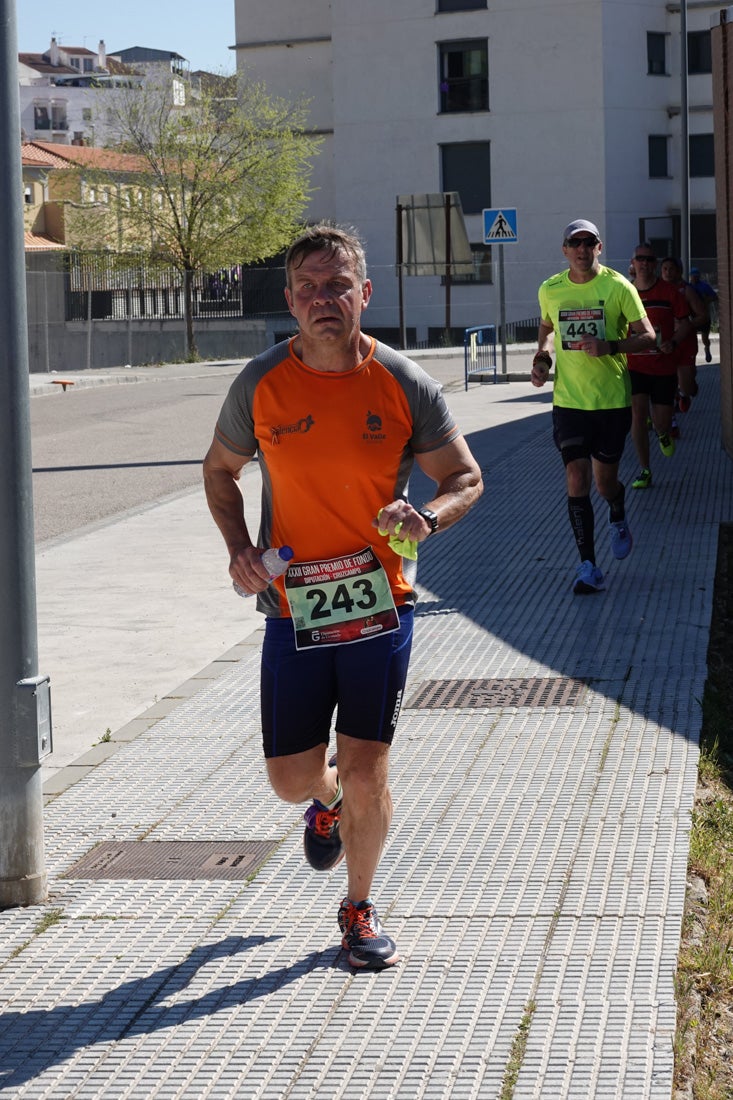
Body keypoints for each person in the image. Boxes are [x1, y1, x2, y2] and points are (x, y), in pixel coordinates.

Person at [202, 223, 483, 970]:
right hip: (293, 611)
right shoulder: (260, 384)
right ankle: (323, 805)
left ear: (364, 292)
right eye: (307, 289)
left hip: (378, 605)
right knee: (291, 778)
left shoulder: (401, 381)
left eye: (337, 286)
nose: (322, 300)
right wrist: (238, 550)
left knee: (367, 770)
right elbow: (219, 470)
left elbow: (464, 477)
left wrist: (425, 517)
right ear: (290, 302)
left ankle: (357, 907)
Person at [531, 219, 655, 595]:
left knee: (604, 484)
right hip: (569, 402)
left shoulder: (619, 287)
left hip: (611, 401)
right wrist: (542, 360)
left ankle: (617, 510)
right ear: (565, 249)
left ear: (599, 248)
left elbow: (648, 336)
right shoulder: (550, 289)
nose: (583, 250)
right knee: (576, 479)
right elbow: (548, 331)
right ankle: (588, 565)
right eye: (575, 243)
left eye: (590, 243)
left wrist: (610, 346)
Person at [626, 245, 695, 490]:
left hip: (664, 367)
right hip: (635, 365)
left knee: (661, 423)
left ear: (654, 264)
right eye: (640, 259)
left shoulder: (669, 292)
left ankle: (663, 433)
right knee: (637, 415)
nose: (644, 263)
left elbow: (686, 324)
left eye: (649, 259)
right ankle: (645, 470)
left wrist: (674, 342)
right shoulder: (626, 291)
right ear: (633, 262)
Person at [660, 257, 708, 415]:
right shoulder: (658, 290)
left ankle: (687, 390)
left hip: (685, 341)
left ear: (679, 271)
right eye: (664, 269)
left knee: (687, 384)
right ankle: (675, 402)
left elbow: (703, 316)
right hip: (666, 341)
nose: (667, 272)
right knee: (667, 378)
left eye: (671, 269)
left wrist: (686, 324)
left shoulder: (686, 290)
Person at [688, 267, 718, 363]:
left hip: (704, 317)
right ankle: (692, 356)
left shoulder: (705, 286)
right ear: (690, 276)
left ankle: (707, 348)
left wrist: (706, 300)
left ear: (699, 277)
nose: (694, 278)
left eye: (696, 276)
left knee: (705, 338)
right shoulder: (688, 287)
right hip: (693, 317)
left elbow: (715, 297)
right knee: (691, 339)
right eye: (693, 276)